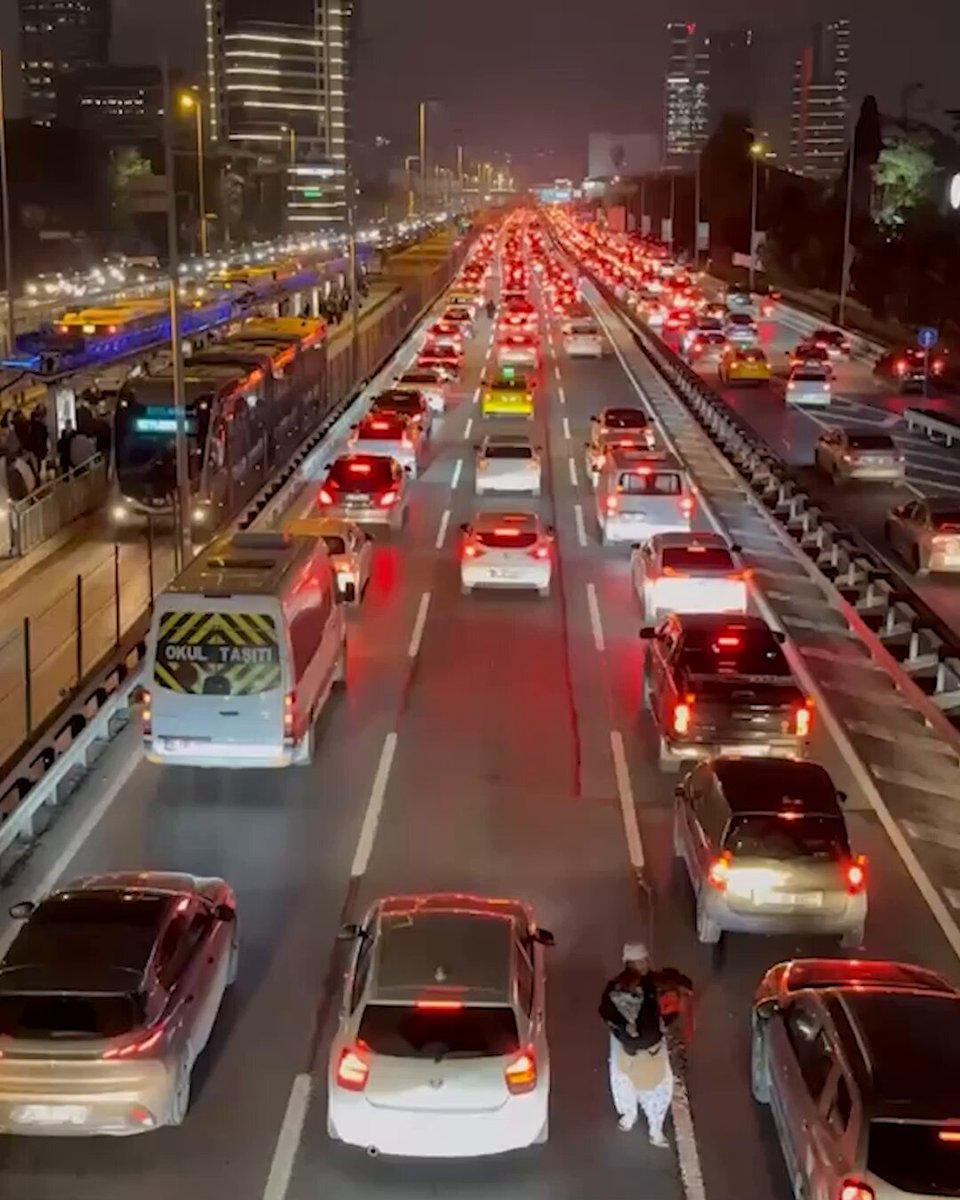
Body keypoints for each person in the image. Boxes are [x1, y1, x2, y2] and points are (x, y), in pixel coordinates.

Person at [598, 942, 692, 1146]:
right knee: (638, 1086)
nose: (642, 964)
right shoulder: (624, 986)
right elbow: (606, 1012)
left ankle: (649, 1126)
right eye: (638, 961)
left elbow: (605, 1013)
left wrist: (622, 1028)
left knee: (654, 1087)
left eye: (642, 961)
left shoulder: (654, 984)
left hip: (643, 1048)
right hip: (639, 1048)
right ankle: (634, 1118)